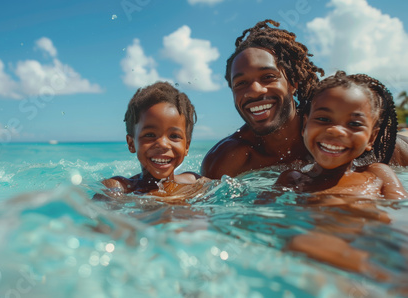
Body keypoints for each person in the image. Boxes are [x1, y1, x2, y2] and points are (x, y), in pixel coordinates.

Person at [201, 19, 408, 179]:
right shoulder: (226, 161)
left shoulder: (343, 135)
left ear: (293, 83)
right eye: (241, 83)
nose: (254, 91)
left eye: (268, 77)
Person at [275, 71, 408, 200]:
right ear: (305, 126)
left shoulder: (378, 174)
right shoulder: (292, 180)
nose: (336, 130)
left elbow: (401, 212)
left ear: (371, 138)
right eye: (324, 119)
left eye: (354, 124)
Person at [101, 81, 207, 201]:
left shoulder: (197, 184)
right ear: (131, 143)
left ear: (186, 146)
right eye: (150, 135)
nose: (162, 144)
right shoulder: (120, 188)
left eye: (174, 136)